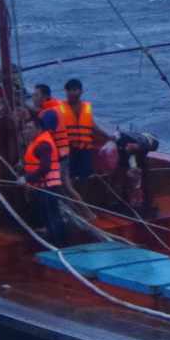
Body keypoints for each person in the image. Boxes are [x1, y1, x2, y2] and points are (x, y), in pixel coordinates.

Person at [24, 109, 67, 243]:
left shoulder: (43, 144)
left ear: (39, 128)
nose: (26, 131)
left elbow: (45, 168)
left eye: (30, 128)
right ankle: (57, 242)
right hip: (42, 187)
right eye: (26, 128)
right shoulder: (37, 142)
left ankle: (59, 245)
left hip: (48, 187)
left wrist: (26, 179)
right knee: (49, 217)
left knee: (52, 218)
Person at [60, 78, 106, 185]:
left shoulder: (86, 107)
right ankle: (71, 198)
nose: (73, 93)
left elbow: (93, 126)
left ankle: (83, 196)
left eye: (75, 90)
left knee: (85, 176)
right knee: (69, 176)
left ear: (81, 91)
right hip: (68, 149)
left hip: (85, 149)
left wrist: (107, 136)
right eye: (70, 90)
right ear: (66, 92)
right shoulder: (60, 108)